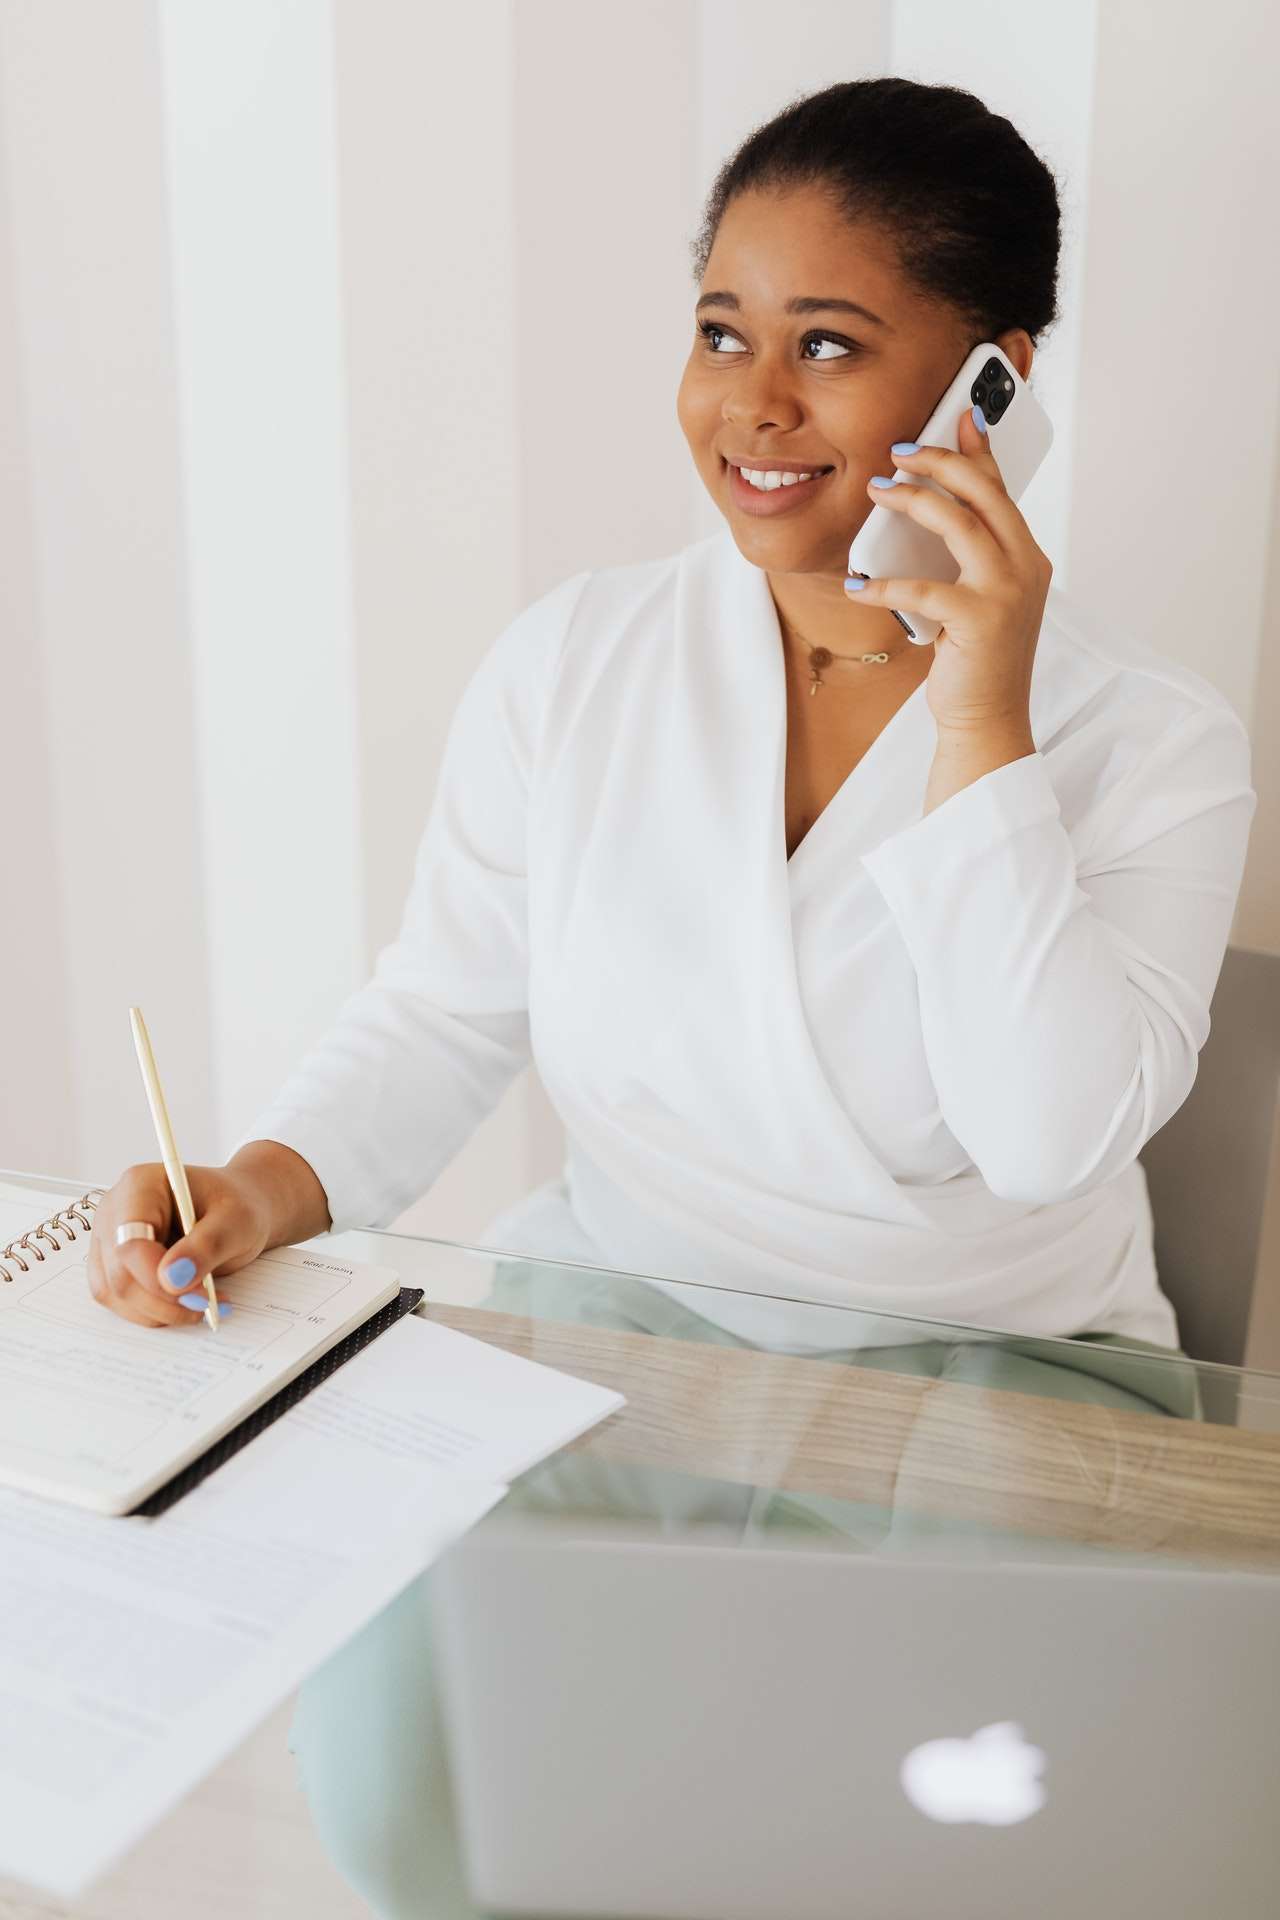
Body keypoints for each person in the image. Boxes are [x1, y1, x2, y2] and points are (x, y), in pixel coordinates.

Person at [85, 75, 1254, 1917]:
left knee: (894, 1843)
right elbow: (446, 1004)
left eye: (831, 347)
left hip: (992, 1385)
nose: (751, 406)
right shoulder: (579, 663)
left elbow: (1043, 1141)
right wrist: (264, 1184)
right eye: (722, 332)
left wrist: (981, 723)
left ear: (993, 381)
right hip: (616, 1330)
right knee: (413, 1784)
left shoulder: (1153, 743)